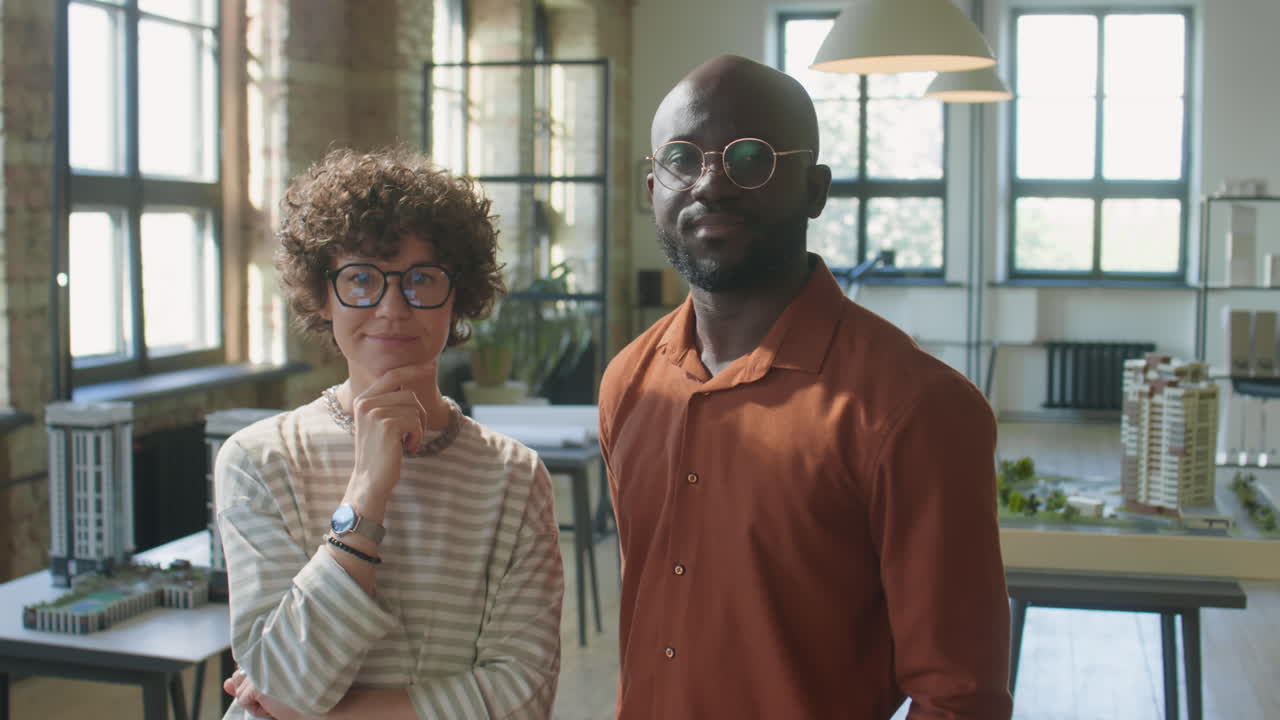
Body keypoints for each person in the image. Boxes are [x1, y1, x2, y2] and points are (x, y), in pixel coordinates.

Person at [598, 55, 1012, 719]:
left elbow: (959, 697)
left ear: (815, 190)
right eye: (683, 157)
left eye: (751, 158)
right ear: (653, 187)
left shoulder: (913, 409)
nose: (712, 183)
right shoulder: (631, 383)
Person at [215, 146, 564, 719]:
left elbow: (522, 696)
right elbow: (281, 679)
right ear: (323, 296)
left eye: (422, 279)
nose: (391, 307)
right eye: (361, 279)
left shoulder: (514, 477)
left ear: (459, 297)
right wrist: (366, 494)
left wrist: (318, 714)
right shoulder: (259, 460)